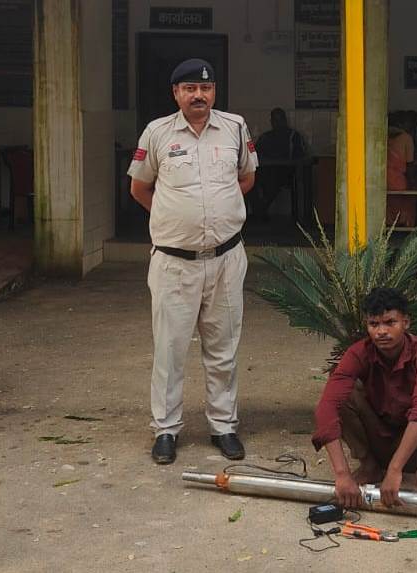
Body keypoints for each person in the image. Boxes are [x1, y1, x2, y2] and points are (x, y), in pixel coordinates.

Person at [127, 58, 258, 464]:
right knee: (170, 350)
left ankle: (224, 426)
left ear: (214, 91)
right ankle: (166, 430)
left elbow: (247, 178)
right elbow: (139, 188)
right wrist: (174, 218)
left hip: (226, 258)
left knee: (223, 347)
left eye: (205, 88)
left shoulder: (235, 127)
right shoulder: (157, 133)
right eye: (189, 89)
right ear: (176, 94)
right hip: (174, 263)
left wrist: (217, 212)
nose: (198, 95)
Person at [312, 288, 417, 508]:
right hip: (376, 438)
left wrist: (395, 469)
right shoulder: (358, 352)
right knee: (345, 396)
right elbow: (326, 407)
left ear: (406, 322)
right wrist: (342, 473)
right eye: (374, 324)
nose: (381, 331)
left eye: (390, 322)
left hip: (412, 445)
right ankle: (369, 466)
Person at [249, 107, 308, 221]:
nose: (277, 123)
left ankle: (260, 211)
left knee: (273, 178)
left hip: (286, 172)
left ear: (285, 120)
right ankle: (258, 210)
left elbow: (300, 158)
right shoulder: (265, 137)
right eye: (274, 120)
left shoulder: (293, 136)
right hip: (264, 170)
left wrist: (279, 162)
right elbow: (254, 155)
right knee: (249, 179)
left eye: (279, 119)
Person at [386, 111, 416, 227]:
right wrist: (412, 182)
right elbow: (409, 164)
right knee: (402, 208)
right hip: (399, 181)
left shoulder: (381, 135)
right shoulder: (406, 138)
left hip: (382, 179)